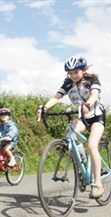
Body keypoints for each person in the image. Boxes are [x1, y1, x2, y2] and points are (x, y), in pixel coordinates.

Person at [38, 55, 106, 199]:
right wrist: (45, 107)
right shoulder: (68, 84)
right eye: (70, 73)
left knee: (92, 146)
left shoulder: (91, 80)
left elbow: (94, 94)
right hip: (83, 117)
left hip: (96, 116)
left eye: (76, 72)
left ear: (82, 70)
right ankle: (83, 163)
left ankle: (97, 184)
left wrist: (88, 104)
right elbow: (56, 97)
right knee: (70, 133)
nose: (73, 75)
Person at [0, 108, 19, 174]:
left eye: (5, 115)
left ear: (9, 116)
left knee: (6, 149)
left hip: (11, 142)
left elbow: (13, 131)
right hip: (3, 142)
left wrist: (9, 136)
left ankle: (13, 160)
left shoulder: (11, 124)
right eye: (1, 115)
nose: (3, 116)